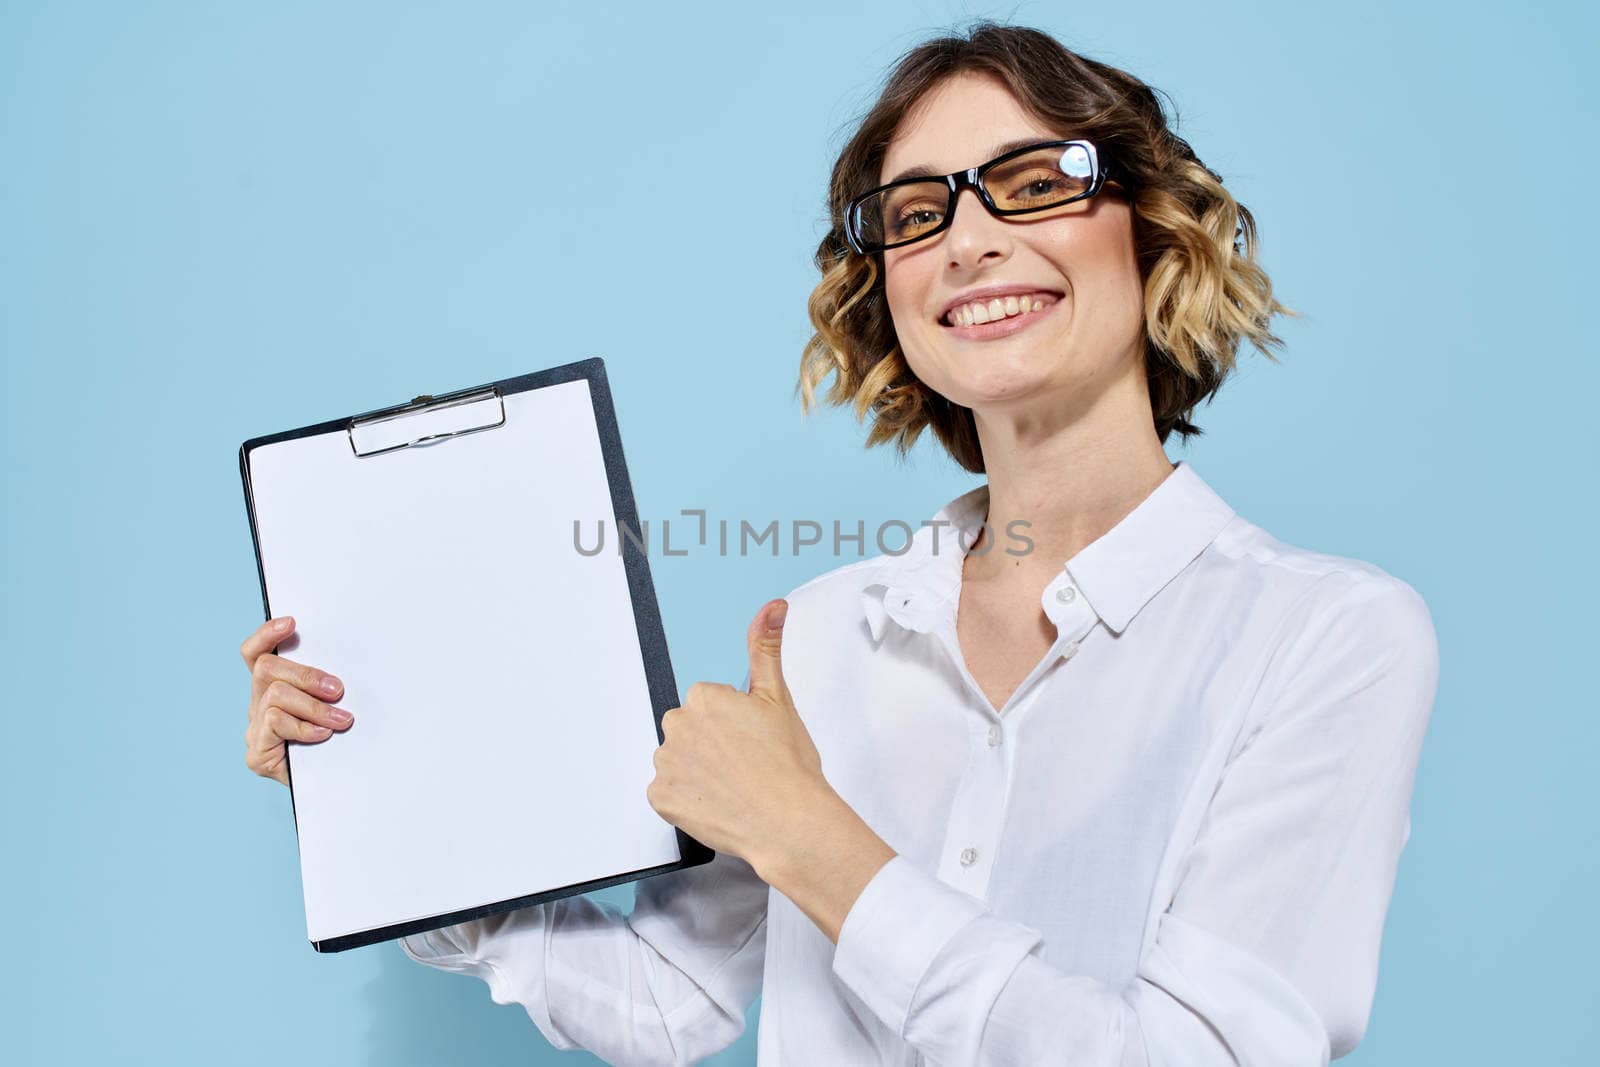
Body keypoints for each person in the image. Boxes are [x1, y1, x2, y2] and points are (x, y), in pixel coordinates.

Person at [240, 21, 1439, 1066]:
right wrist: (377, 797)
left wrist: (812, 837)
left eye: (1030, 182)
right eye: (916, 214)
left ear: (1151, 227)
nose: (967, 242)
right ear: (889, 292)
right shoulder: (818, 636)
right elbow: (666, 1002)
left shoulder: (1325, 636)